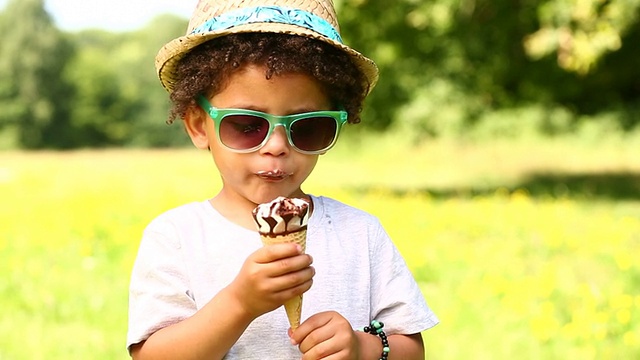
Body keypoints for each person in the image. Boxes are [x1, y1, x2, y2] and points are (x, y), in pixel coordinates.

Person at [126, 0, 439, 359]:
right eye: (247, 125)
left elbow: (410, 349)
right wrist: (240, 303)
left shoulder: (361, 233)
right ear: (199, 125)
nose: (277, 146)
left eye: (306, 127)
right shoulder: (176, 237)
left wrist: (361, 347)